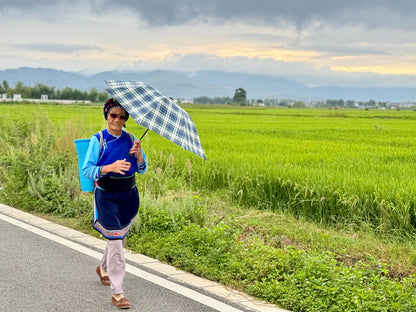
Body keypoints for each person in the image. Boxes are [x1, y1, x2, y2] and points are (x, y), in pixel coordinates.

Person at [82, 98, 147, 309]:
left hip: (128, 195)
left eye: (122, 116)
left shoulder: (132, 138)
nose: (117, 120)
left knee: (119, 239)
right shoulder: (98, 139)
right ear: (106, 116)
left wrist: (139, 156)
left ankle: (103, 268)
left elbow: (143, 169)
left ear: (126, 118)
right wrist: (108, 168)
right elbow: (86, 170)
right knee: (116, 242)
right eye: (113, 115)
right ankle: (117, 293)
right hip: (107, 196)